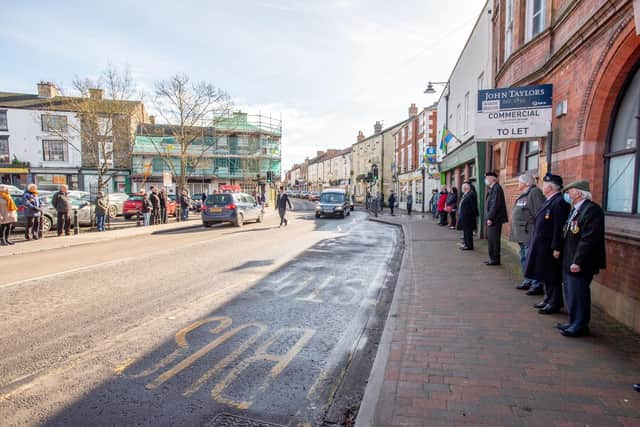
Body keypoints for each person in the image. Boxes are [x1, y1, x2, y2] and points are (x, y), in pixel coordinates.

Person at [557, 180, 606, 337]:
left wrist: (577, 261)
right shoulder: (576, 209)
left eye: (569, 192)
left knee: (579, 293)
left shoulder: (592, 210)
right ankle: (573, 321)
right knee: (571, 292)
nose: (567, 195)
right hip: (569, 259)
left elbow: (588, 239)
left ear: (578, 193)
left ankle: (579, 325)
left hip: (581, 262)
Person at [525, 173, 570, 315]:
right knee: (545, 273)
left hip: (550, 246)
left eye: (544, 185)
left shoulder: (559, 202)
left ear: (550, 187)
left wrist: (557, 247)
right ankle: (547, 298)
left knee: (552, 275)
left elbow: (559, 227)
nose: (542, 187)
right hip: (543, 245)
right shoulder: (549, 200)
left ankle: (554, 303)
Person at [509, 174, 545, 292]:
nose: (518, 184)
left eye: (519, 182)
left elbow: (539, 213)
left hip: (529, 233)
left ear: (526, 183)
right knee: (524, 257)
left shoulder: (534, 192)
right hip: (521, 234)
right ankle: (528, 280)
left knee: (531, 258)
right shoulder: (526, 193)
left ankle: (536, 284)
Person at [484, 172, 508, 266]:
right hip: (493, 218)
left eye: (487, 177)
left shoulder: (496, 188)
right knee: (491, 239)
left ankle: (495, 259)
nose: (486, 180)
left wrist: (490, 217)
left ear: (492, 178)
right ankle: (492, 258)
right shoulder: (492, 188)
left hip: (495, 219)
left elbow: (495, 205)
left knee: (494, 240)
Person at [457, 182, 478, 250]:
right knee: (465, 231)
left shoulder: (471, 194)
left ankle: (469, 246)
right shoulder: (466, 194)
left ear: (466, 188)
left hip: (468, 217)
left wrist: (472, 216)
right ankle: (466, 244)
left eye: (463, 187)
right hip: (464, 216)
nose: (462, 188)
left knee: (468, 232)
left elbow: (473, 207)